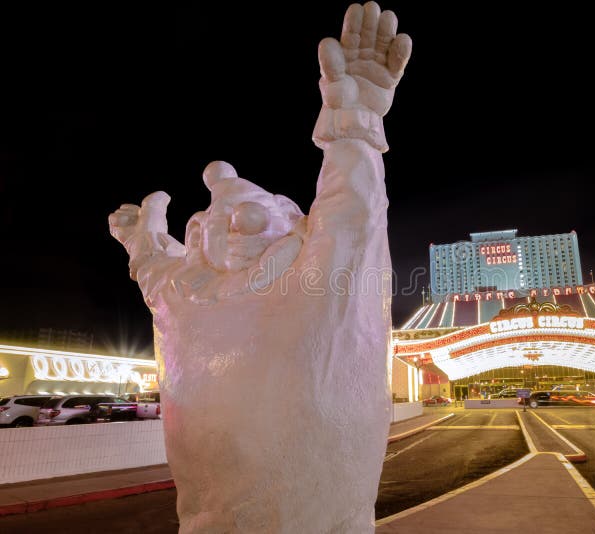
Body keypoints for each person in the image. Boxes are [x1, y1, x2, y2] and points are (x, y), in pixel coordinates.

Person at [108, 3, 412, 532]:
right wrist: (143, 237)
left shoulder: (311, 283)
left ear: (293, 221)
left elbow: (351, 217)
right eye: (206, 228)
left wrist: (355, 130)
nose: (226, 234)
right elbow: (157, 269)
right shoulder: (187, 295)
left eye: (247, 219)